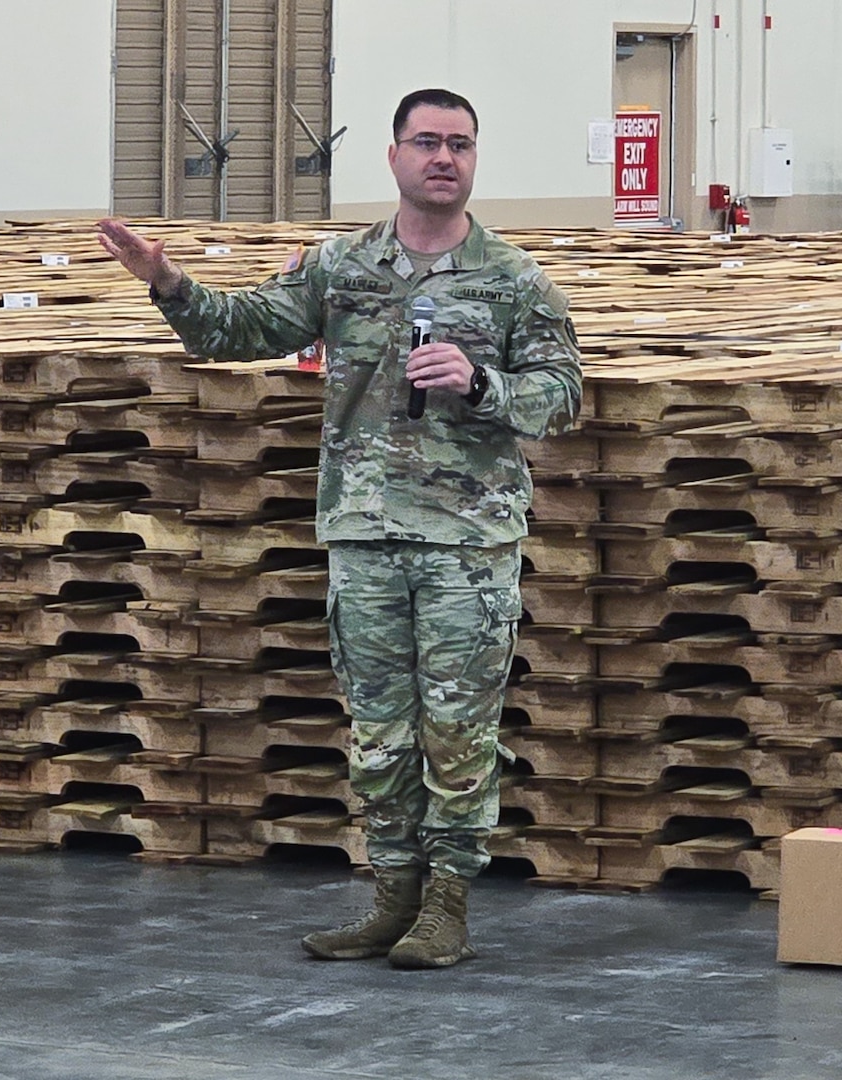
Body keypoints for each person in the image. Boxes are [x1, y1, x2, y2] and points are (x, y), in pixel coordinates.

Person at [96, 88, 583, 969]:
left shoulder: (514, 280)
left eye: (461, 145)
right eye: (427, 142)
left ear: (476, 161)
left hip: (465, 546)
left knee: (459, 729)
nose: (444, 157)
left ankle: (446, 904)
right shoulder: (343, 267)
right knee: (380, 729)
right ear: (394, 157)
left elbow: (562, 394)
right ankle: (391, 893)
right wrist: (167, 283)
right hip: (363, 533)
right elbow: (239, 329)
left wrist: (482, 385)